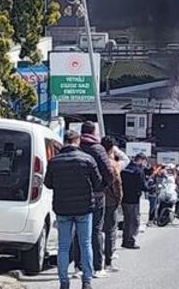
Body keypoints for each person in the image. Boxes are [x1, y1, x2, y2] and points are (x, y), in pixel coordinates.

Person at [44, 130, 102, 289]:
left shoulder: (54, 161)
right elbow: (98, 183)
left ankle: (64, 282)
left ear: (64, 141)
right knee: (85, 244)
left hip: (62, 208)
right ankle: (87, 281)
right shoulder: (87, 159)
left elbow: (48, 183)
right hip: (84, 208)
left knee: (63, 246)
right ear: (77, 141)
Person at [71, 122, 112, 278]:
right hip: (96, 195)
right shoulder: (98, 148)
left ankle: (78, 267)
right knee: (96, 230)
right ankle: (97, 267)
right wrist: (103, 186)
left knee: (78, 231)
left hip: (76, 194)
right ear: (94, 132)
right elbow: (109, 172)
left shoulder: (76, 147)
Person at [99, 137, 123, 273]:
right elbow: (117, 184)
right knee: (110, 231)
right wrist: (118, 199)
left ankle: (94, 261)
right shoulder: (113, 164)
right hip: (110, 201)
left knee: (95, 231)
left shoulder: (95, 160)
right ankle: (108, 261)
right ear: (111, 148)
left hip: (96, 199)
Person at [120, 154, 148, 248]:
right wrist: (150, 188)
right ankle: (130, 241)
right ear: (141, 160)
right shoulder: (138, 171)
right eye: (145, 162)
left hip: (124, 198)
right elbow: (142, 186)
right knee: (134, 221)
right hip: (134, 199)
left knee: (127, 220)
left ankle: (125, 240)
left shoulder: (125, 168)